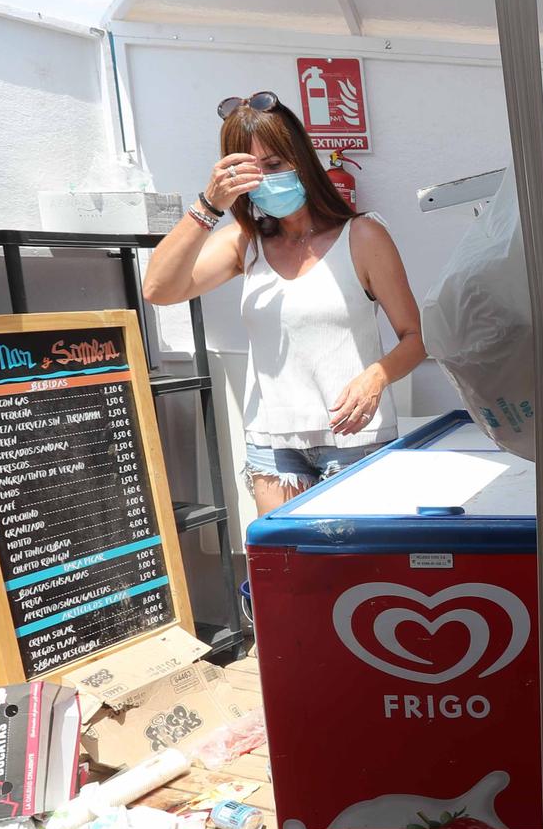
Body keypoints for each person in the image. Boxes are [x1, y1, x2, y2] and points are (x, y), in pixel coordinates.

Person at [145, 91, 425, 514]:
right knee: (289, 576)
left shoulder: (362, 237)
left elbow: (415, 338)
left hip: (354, 442)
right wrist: (207, 206)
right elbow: (159, 289)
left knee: (360, 577)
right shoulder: (246, 244)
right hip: (272, 446)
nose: (266, 180)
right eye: (250, 172)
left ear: (301, 159)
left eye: (274, 165)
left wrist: (376, 377)